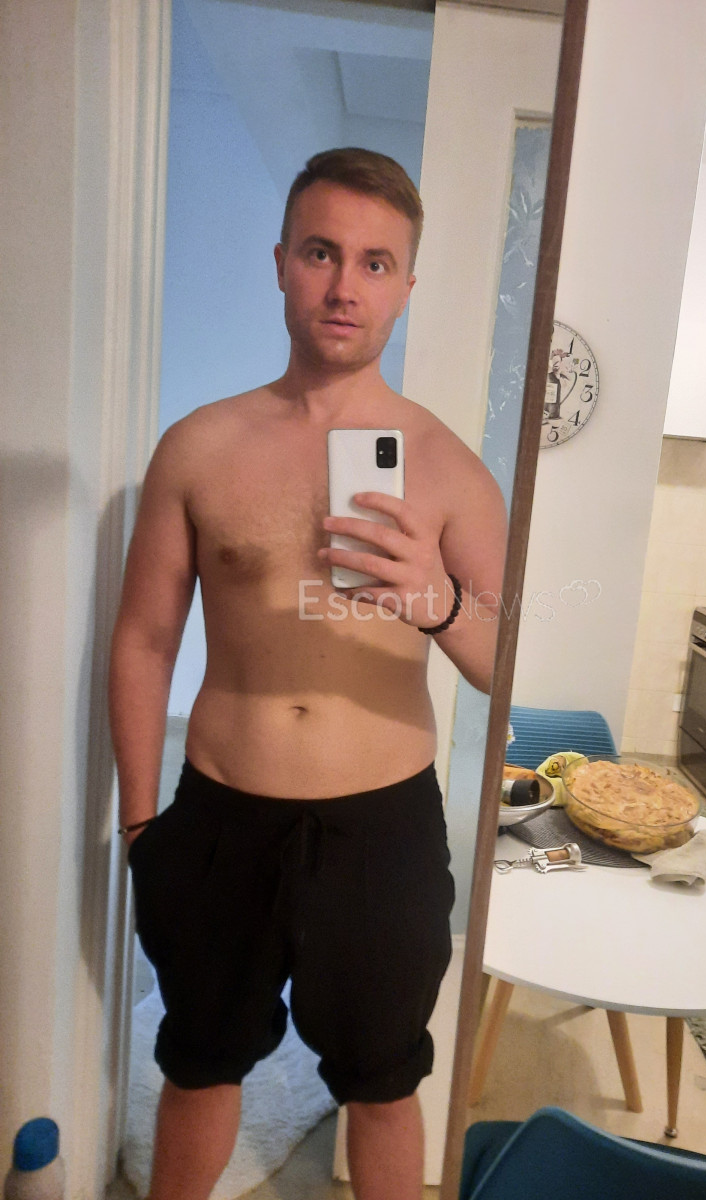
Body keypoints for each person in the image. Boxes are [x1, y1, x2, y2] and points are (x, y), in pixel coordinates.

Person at [108, 147, 508, 1200]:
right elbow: (144, 639)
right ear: (282, 261)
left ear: (406, 287)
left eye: (376, 263)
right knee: (198, 1061)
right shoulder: (198, 447)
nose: (344, 285)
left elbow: (502, 665)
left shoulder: (451, 468)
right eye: (322, 252)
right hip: (219, 813)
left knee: (382, 1082)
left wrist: (435, 598)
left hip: (381, 828)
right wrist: (143, 823)